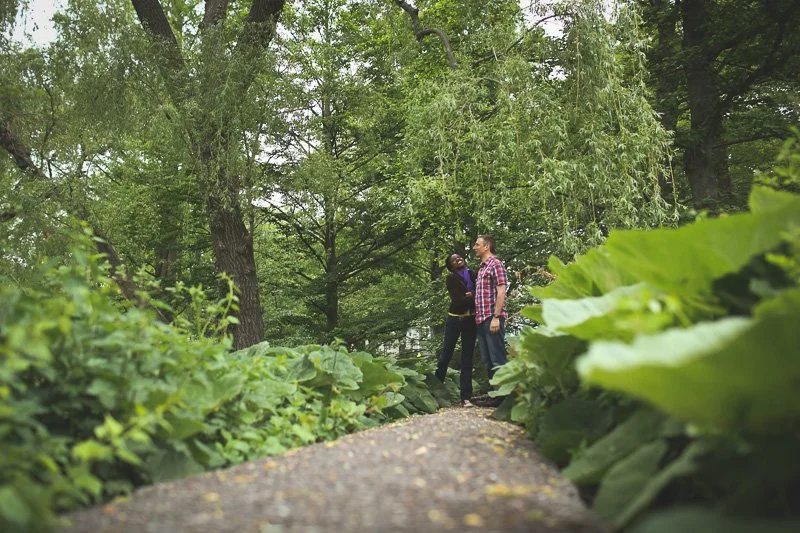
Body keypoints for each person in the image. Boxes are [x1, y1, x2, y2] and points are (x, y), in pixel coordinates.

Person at [435, 253, 477, 407]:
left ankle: (466, 398)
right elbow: (458, 302)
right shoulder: (451, 278)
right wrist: (472, 296)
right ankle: (435, 392)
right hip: (455, 319)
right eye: (454, 259)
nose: (458, 259)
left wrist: (470, 296)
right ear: (451, 266)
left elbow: (480, 294)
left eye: (459, 257)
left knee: (467, 358)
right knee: (446, 355)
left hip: (471, 321)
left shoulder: (472, 274)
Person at [472, 234, 509, 381]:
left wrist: (496, 317)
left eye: (477, 244)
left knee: (497, 360)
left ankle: (506, 397)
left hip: (491, 318)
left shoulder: (496, 264)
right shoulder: (481, 269)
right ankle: (495, 395)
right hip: (480, 320)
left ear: (486, 246)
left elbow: (501, 291)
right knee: (487, 361)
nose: (475, 247)